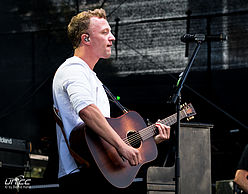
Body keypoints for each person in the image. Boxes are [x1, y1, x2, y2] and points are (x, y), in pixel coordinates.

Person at [52, 8, 171, 193]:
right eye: (105, 32)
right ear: (86, 39)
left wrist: (151, 141)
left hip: (98, 173)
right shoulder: (73, 69)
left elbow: (106, 141)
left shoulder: (91, 76)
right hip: (81, 175)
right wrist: (122, 146)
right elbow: (87, 111)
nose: (113, 37)